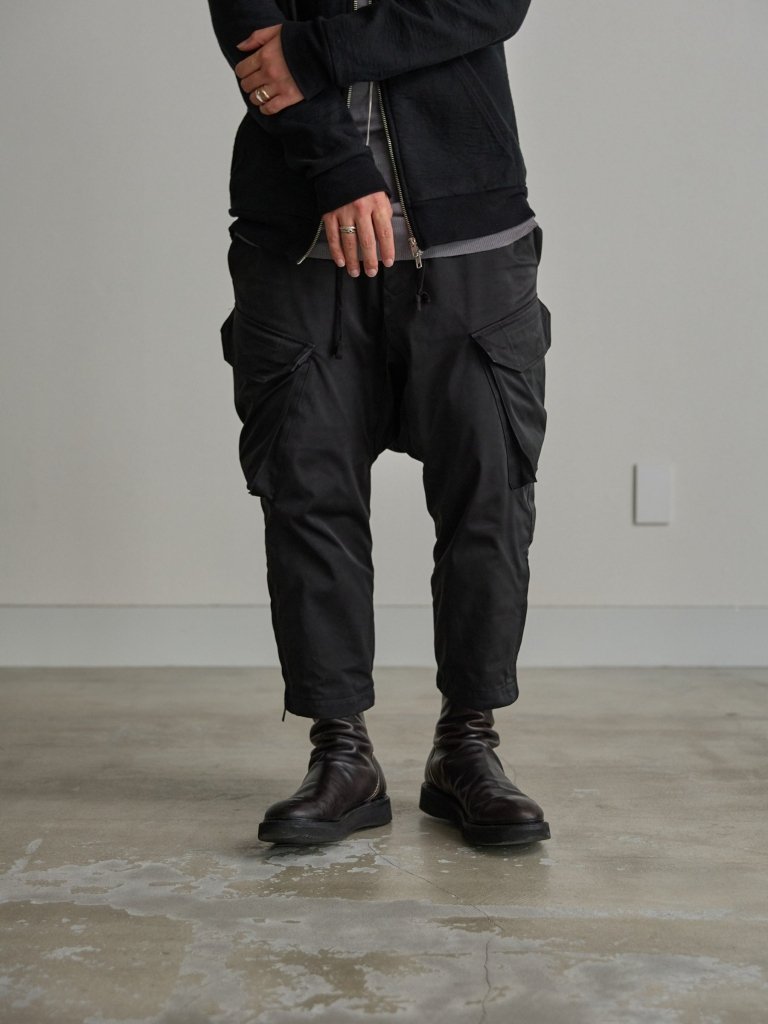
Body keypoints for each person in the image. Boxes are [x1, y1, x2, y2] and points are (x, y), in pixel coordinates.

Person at [207, 0, 552, 847]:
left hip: (470, 241)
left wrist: (317, 48)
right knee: (307, 494)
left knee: (489, 494)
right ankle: (342, 754)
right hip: (298, 241)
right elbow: (252, 33)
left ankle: (467, 746)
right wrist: (338, 168)